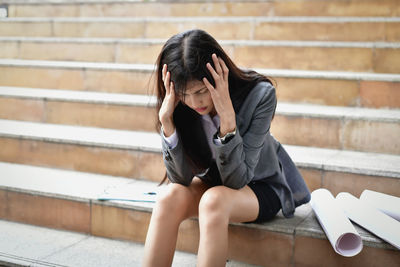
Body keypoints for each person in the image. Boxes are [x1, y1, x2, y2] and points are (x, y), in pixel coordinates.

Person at [143, 29, 310, 267]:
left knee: (214, 200)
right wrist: (168, 124)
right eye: (185, 94)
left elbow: (238, 180)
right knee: (168, 196)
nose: (194, 102)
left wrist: (227, 123)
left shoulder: (260, 95)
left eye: (201, 92)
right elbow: (180, 179)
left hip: (260, 186)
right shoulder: (179, 104)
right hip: (216, 184)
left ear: (218, 74)